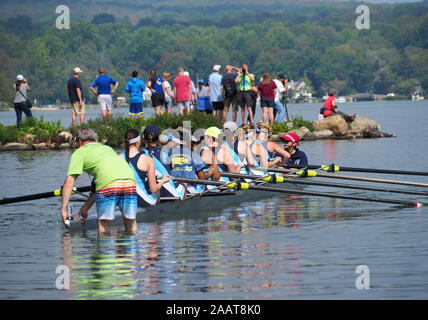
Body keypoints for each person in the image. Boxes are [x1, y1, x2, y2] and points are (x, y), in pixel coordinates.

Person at [60, 128, 138, 236]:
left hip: (110, 184)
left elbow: (69, 183)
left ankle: (106, 251)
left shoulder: (79, 153)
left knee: (104, 226)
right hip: (130, 180)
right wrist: (86, 207)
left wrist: (63, 209)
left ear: (79, 142)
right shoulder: (107, 148)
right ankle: (132, 251)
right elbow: (102, 182)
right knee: (131, 221)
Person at [122, 128, 170, 207]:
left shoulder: (118, 158)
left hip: (124, 201)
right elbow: (153, 189)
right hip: (143, 202)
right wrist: (163, 181)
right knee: (156, 191)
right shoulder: (147, 159)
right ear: (138, 141)